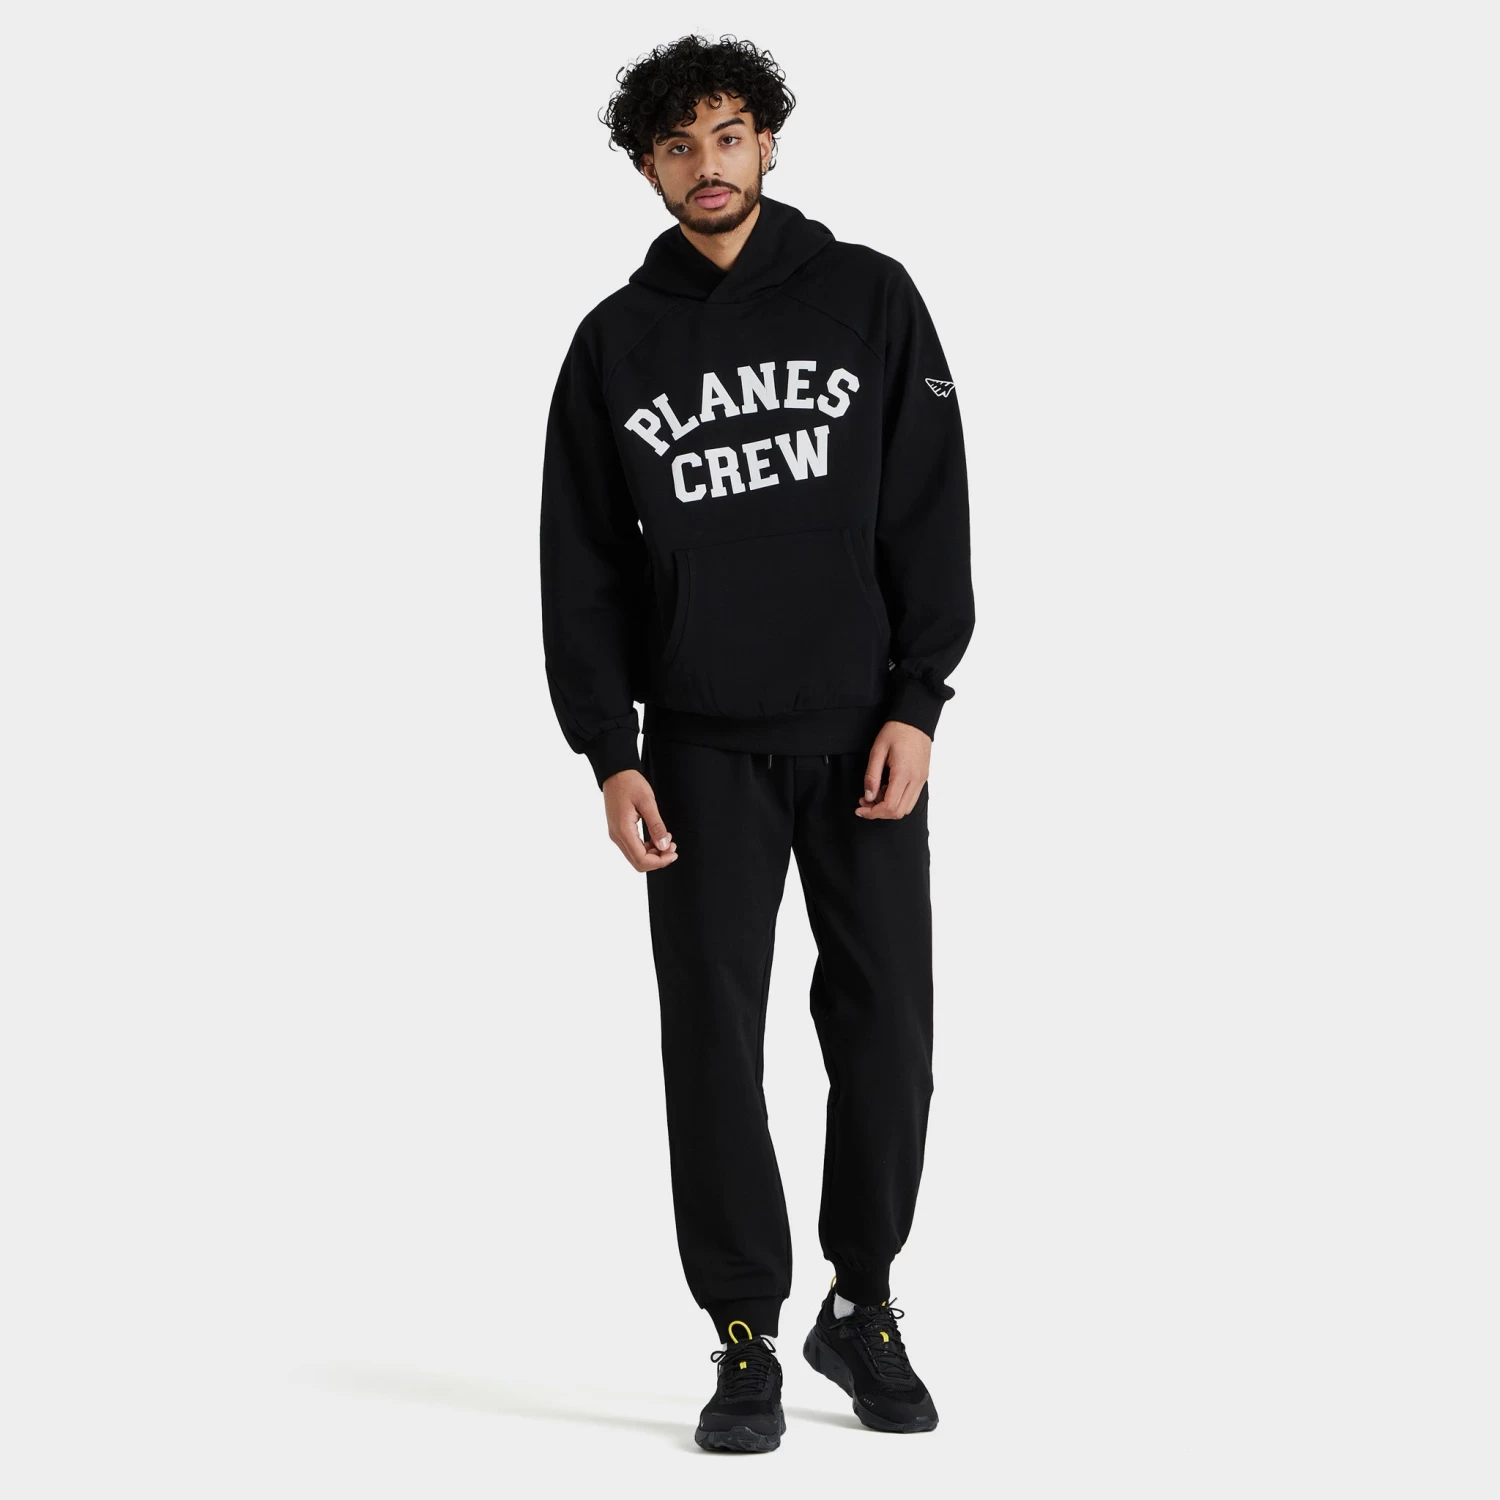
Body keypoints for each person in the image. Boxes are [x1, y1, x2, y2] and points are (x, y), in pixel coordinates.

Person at [538, 33, 975, 1451]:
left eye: (728, 135)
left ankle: (863, 1300)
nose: (707, 166)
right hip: (699, 750)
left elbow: (927, 508)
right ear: (647, 168)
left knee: (889, 1036)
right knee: (713, 1049)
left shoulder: (869, 296)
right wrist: (610, 749)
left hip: (862, 737)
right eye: (677, 145)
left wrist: (917, 700)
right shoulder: (616, 343)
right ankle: (744, 1330)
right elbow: (583, 566)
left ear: (769, 142)